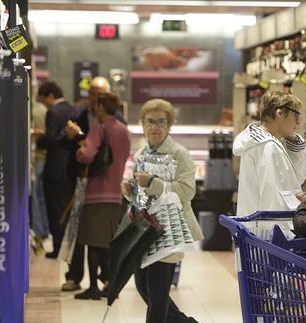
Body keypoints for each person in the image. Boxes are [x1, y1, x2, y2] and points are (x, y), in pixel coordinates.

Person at [121, 99, 202, 323]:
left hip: (169, 232)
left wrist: (153, 183)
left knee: (157, 294)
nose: (155, 127)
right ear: (142, 124)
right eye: (150, 122)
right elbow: (141, 196)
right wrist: (129, 191)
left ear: (169, 125)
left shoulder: (179, 154)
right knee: (143, 287)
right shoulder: (140, 155)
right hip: (145, 231)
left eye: (160, 122)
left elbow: (186, 192)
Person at [61, 76, 122, 292]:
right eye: (92, 92)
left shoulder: (111, 120)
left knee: (98, 234)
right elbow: (64, 144)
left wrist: (82, 143)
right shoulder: (77, 113)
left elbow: (89, 152)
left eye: (100, 93)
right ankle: (74, 275)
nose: (95, 96)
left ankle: (104, 277)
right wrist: (70, 137)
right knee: (78, 230)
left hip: (100, 183)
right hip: (81, 180)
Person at [73, 93, 131, 300]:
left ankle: (93, 288)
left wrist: (80, 150)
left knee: (91, 241)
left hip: (96, 192)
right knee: (108, 241)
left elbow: (87, 154)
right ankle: (110, 284)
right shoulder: (124, 130)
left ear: (100, 109)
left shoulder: (99, 128)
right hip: (115, 193)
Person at [233, 90, 306, 216]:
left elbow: (297, 176)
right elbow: (273, 201)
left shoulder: (265, 142)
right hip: (270, 231)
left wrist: (294, 142)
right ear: (279, 113)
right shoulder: (268, 147)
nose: (298, 122)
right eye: (296, 115)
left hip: (260, 229)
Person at [36, 81, 76, 259]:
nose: (44, 104)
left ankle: (58, 248)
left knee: (55, 211)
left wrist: (39, 140)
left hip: (54, 169)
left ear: (50, 96)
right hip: (70, 169)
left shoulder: (53, 112)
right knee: (66, 212)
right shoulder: (73, 109)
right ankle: (68, 247)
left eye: (43, 99)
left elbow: (51, 138)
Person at [30, 99, 49, 255]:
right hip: (45, 158)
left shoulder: (33, 111)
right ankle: (44, 229)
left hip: (36, 157)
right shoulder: (43, 109)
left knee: (35, 196)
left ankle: (38, 230)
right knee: (41, 196)